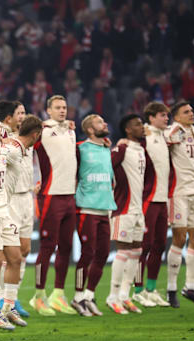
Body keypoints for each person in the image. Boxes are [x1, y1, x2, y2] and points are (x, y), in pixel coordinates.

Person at [31, 95, 78, 315]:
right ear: (48, 110)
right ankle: (38, 296)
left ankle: (58, 294)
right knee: (47, 247)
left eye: (64, 107)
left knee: (66, 247)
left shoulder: (70, 130)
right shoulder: (42, 130)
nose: (62, 111)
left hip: (70, 196)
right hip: (51, 195)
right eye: (57, 108)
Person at [106, 114, 154, 315]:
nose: (141, 126)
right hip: (122, 209)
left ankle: (125, 295)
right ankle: (113, 296)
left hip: (137, 209)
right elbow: (107, 167)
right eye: (136, 124)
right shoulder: (122, 148)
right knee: (124, 251)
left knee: (136, 251)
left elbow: (151, 175)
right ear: (127, 129)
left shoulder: (141, 150)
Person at [0, 99, 34, 318]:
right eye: (20, 113)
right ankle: (1, 297)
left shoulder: (28, 139)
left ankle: (13, 296)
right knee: (9, 252)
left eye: (25, 112)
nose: (23, 116)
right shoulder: (3, 137)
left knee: (25, 249)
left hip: (27, 195)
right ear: (9, 117)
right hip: (10, 200)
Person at [71, 114, 116, 317]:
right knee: (87, 253)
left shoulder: (107, 149)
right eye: (100, 122)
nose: (105, 123)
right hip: (86, 208)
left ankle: (89, 296)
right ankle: (77, 297)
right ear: (90, 129)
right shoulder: (80, 148)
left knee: (103, 253)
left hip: (105, 208)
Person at [165, 101, 194, 308]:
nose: (191, 113)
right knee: (180, 238)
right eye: (186, 112)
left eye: (192, 110)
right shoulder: (173, 130)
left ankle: (190, 287)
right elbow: (162, 145)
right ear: (176, 116)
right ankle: (171, 288)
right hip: (178, 192)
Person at [134, 102, 173, 307]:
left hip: (162, 200)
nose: (167, 118)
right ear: (151, 118)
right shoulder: (145, 138)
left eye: (167, 115)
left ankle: (151, 289)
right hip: (148, 199)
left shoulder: (164, 137)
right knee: (144, 246)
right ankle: (138, 289)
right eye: (162, 115)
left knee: (159, 245)